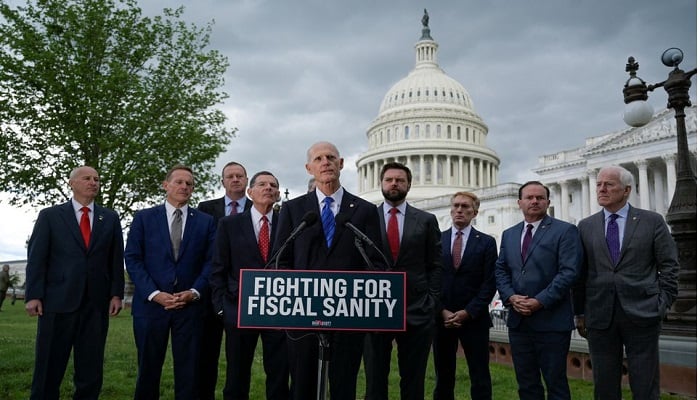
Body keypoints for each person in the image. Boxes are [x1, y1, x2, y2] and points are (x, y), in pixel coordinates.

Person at [273, 141, 384, 400]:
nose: (326, 162)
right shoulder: (294, 210)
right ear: (309, 168)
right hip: (303, 316)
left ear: (341, 164)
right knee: (302, 386)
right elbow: (282, 259)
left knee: (344, 385)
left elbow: (376, 262)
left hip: (349, 317)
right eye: (319, 158)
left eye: (331, 157)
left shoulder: (365, 210)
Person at [572, 165, 679, 400]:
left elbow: (669, 266)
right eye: (599, 184)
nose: (601, 189)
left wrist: (661, 304)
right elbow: (580, 274)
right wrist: (580, 312)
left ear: (627, 190)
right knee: (604, 386)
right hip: (600, 316)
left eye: (608, 184)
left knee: (645, 384)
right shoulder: (586, 226)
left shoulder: (651, 221)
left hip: (643, 313)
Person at [25, 166, 125, 400]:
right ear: (72, 183)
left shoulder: (109, 218)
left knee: (90, 369)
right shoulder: (50, 216)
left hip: (96, 304)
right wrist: (33, 295)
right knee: (49, 365)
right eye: (87, 178)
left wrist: (116, 294)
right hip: (56, 302)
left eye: (97, 179)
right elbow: (37, 258)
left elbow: (115, 258)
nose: (93, 182)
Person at [125, 164, 216, 399]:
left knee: (190, 374)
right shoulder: (144, 218)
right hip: (150, 308)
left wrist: (194, 292)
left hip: (190, 309)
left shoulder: (206, 222)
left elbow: (211, 261)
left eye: (189, 183)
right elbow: (133, 258)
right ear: (166, 185)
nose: (184, 186)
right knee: (147, 371)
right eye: (179, 182)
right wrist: (155, 294)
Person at [494, 181, 582, 400]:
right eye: (529, 198)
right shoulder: (509, 234)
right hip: (518, 322)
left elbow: (569, 272)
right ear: (520, 203)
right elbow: (501, 270)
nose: (534, 201)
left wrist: (539, 301)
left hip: (551, 321)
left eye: (540, 198)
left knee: (556, 384)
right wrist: (511, 297)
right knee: (526, 383)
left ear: (548, 202)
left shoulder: (565, 231)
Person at [365, 161, 442, 400]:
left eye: (399, 180)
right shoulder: (366, 218)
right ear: (381, 184)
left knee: (414, 378)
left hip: (417, 308)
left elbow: (436, 264)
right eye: (389, 180)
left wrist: (431, 302)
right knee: (375, 377)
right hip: (375, 308)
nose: (394, 184)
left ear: (409, 184)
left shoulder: (426, 220)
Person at [210, 170, 289, 400]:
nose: (269, 188)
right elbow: (218, 268)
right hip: (239, 310)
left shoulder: (288, 223)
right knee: (236, 375)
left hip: (279, 311)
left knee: (279, 374)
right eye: (263, 184)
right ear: (250, 192)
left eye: (273, 185)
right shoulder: (229, 224)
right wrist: (222, 307)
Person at [432, 192, 497, 400]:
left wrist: (468, 312)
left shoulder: (486, 242)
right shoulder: (436, 240)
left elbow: (490, 282)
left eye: (466, 207)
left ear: (475, 212)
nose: (460, 210)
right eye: (456, 206)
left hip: (474, 319)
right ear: (451, 211)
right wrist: (441, 310)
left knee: (479, 376)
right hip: (442, 319)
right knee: (443, 376)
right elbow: (429, 278)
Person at [196, 161, 252, 399]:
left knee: (239, 359)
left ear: (247, 181)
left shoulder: (258, 207)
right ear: (223, 181)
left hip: (244, 293)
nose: (236, 179)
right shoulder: (206, 209)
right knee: (206, 354)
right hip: (212, 292)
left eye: (240, 176)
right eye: (231, 176)